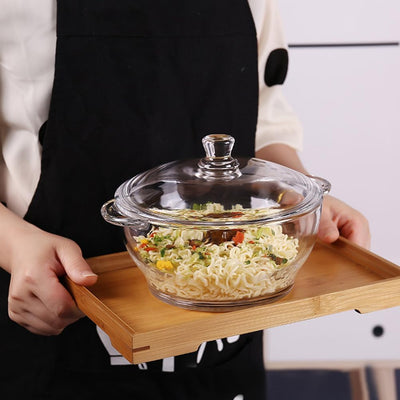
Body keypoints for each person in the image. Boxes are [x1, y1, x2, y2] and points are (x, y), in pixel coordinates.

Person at [0, 0, 370, 399]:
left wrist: (298, 195)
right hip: (53, 304)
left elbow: (263, 114)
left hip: (226, 304)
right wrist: (15, 244)